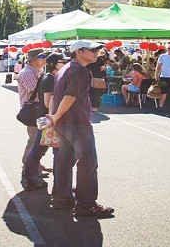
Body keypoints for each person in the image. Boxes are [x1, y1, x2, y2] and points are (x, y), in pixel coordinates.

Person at [46, 40, 114, 217]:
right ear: (79, 52)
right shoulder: (80, 71)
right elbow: (69, 96)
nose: (96, 53)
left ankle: (63, 198)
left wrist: (54, 117)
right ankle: (86, 204)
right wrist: (56, 116)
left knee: (64, 162)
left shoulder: (65, 69)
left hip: (64, 124)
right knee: (88, 162)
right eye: (92, 50)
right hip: (77, 123)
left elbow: (57, 96)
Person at [21, 52, 68, 191]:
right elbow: (48, 102)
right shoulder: (49, 78)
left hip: (46, 118)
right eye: (62, 61)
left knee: (39, 149)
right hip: (47, 118)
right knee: (38, 149)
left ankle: (33, 178)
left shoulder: (52, 76)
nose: (65, 64)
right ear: (53, 64)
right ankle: (33, 178)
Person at [17, 48, 47, 171]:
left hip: (39, 109)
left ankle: (35, 163)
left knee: (41, 139)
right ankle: (28, 166)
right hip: (34, 110)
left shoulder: (36, 71)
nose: (44, 59)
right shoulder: (28, 73)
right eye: (42, 57)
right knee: (34, 139)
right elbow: (36, 91)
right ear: (33, 60)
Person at [86, 48, 107, 113]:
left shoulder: (87, 59)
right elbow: (103, 67)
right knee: (96, 92)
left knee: (88, 91)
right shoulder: (99, 59)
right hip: (97, 76)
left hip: (88, 77)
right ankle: (94, 106)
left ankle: (88, 105)